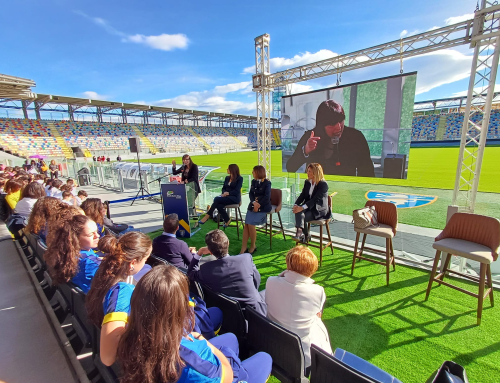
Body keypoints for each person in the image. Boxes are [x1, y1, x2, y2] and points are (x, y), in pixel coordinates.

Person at [116, 265, 273, 383]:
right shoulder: (194, 360)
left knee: (231, 338)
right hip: (214, 372)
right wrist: (209, 346)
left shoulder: (130, 334)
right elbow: (227, 374)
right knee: (265, 358)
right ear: (176, 310)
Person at [86, 232, 152, 366]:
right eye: (145, 259)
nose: (145, 263)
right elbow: (108, 358)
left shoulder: (105, 273)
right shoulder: (122, 291)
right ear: (133, 262)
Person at [264, 245, 332, 367]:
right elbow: (317, 315)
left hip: (272, 343)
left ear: (289, 264)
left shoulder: (271, 281)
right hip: (301, 355)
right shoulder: (318, 291)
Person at [286, 100, 375, 177]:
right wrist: (305, 151)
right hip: (316, 190)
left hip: (345, 190)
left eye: (341, 121)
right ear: (322, 125)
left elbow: (368, 173)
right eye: (332, 124)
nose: (339, 128)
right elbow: (290, 167)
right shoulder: (311, 137)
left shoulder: (355, 137)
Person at [188, 229, 267, 315]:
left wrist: (199, 253)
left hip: (231, 316)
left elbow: (191, 273)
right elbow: (257, 279)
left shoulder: (206, 270)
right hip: (257, 312)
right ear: (228, 243)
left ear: (210, 252)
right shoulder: (246, 258)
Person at [44, 215, 100, 293]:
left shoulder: (67, 255)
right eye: (90, 234)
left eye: (96, 232)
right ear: (75, 238)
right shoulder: (89, 263)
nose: (97, 236)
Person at [292, 163, 331, 243]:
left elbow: (315, 200)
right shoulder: (307, 182)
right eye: (307, 171)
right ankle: (304, 234)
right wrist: (296, 205)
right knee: (299, 212)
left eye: (310, 171)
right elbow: (302, 195)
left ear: (316, 172)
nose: (307, 173)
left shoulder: (323, 184)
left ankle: (301, 234)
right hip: (309, 206)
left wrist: (302, 207)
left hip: (319, 209)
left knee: (300, 215)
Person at [196, 164, 243, 228]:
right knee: (219, 205)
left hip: (235, 198)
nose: (227, 169)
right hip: (226, 197)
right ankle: (227, 220)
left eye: (228, 168)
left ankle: (207, 215)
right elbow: (223, 188)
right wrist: (224, 193)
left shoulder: (240, 178)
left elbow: (237, 190)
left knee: (216, 199)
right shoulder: (227, 178)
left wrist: (228, 193)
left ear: (232, 170)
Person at [239, 165, 272, 255]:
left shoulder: (267, 183)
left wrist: (258, 205)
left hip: (263, 207)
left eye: (253, 171)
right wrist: (254, 203)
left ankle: (253, 245)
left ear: (258, 172)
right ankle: (244, 247)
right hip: (253, 206)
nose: (252, 172)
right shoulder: (253, 181)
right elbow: (251, 194)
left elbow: (267, 197)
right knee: (246, 224)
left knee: (250, 223)